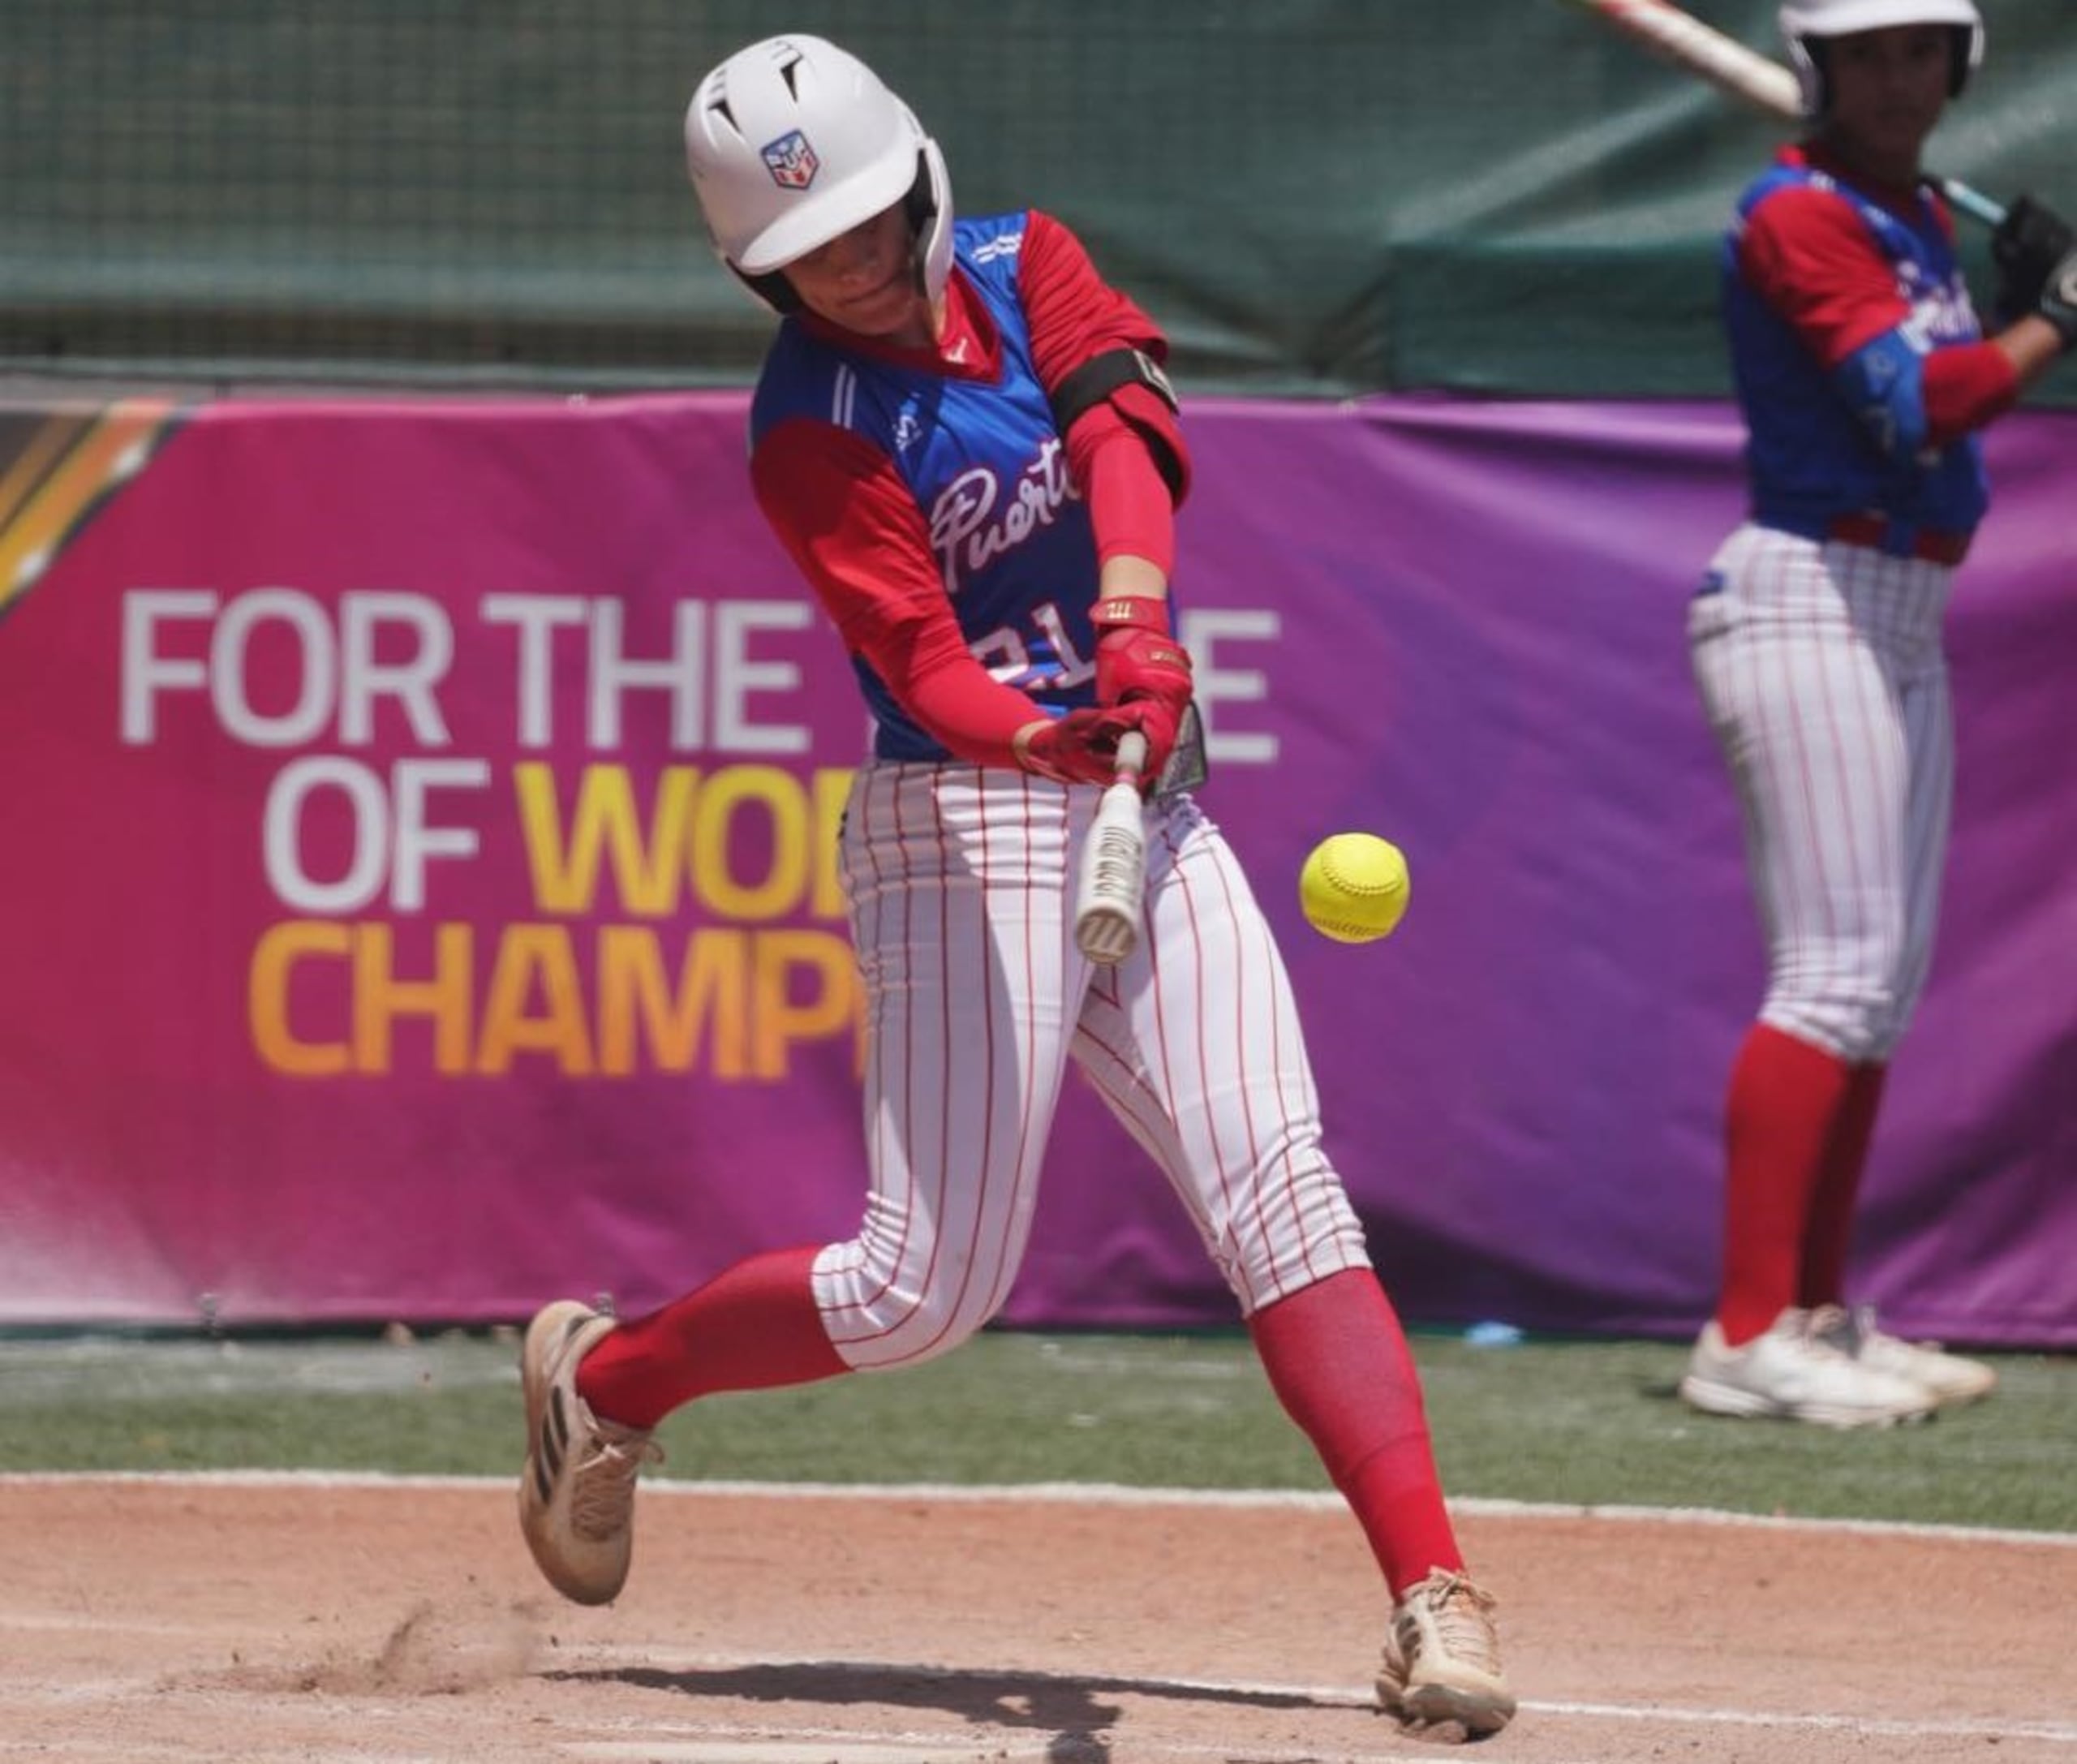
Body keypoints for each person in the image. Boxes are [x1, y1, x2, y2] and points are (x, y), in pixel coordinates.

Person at [514, 32, 1514, 1738]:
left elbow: (1119, 417)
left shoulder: (1018, 256)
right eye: (797, 252)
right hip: (952, 819)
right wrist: (1052, 738)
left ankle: (1433, 1596)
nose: (842, 266)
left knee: (1280, 1188)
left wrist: (1131, 629)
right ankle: (604, 1383)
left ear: (919, 180)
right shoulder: (804, 422)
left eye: (860, 221)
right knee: (926, 1290)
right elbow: (916, 656)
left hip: (1137, 791)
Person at [1679, 0, 2075, 1426]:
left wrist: (2027, 295)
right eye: (1869, 55)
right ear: (1821, 70)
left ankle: (1816, 1314)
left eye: (1923, 52)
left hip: (1899, 608)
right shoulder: (1800, 216)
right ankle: (1740, 1334)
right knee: (1833, 979)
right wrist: (2057, 319)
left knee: (1881, 990)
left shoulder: (1908, 217)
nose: (1899, 78)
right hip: (1811, 593)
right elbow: (1913, 409)